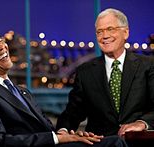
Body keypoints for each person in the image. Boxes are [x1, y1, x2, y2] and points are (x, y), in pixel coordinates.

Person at [0, 28, 128, 147]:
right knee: (115, 143)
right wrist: (57, 139)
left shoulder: (23, 92)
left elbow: (49, 131)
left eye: (0, 40)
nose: (1, 46)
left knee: (110, 141)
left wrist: (71, 136)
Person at [56, 8, 154, 138]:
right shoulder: (85, 72)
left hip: (137, 141)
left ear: (126, 33)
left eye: (110, 29)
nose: (105, 36)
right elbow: (72, 113)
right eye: (99, 32)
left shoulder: (148, 65)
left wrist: (142, 123)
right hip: (100, 142)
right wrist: (63, 131)